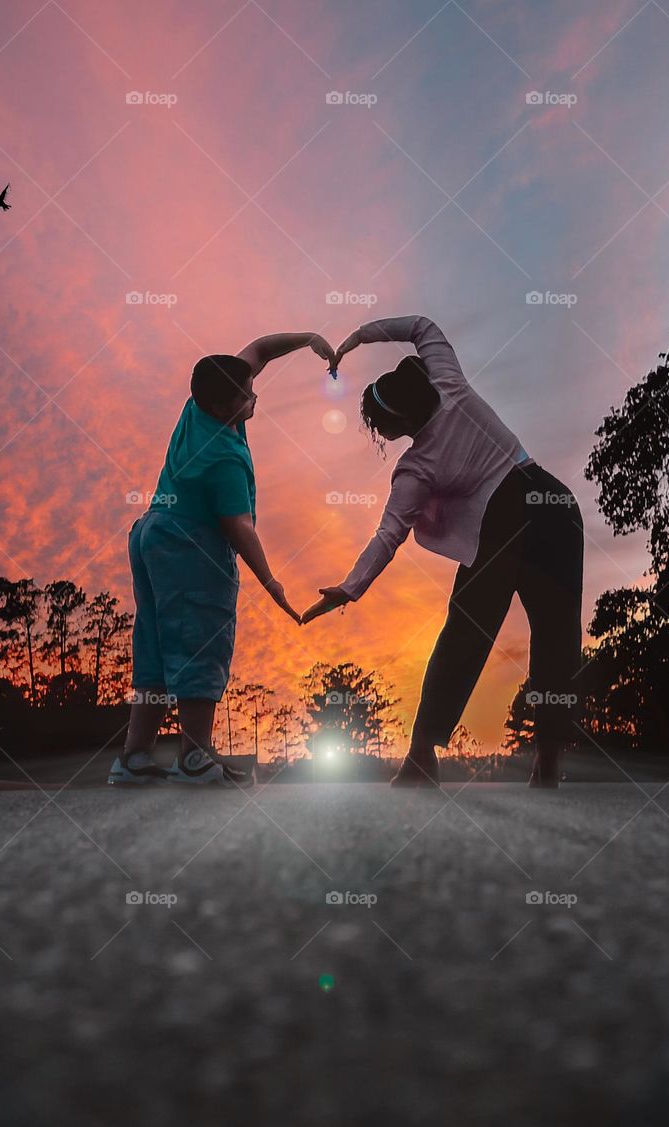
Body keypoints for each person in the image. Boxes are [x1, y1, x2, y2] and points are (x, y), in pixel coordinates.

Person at [304, 316, 584, 789]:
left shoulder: (418, 466)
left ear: (400, 424)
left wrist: (350, 589)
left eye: (381, 426)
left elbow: (388, 534)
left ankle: (420, 756)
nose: (381, 434)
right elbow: (420, 325)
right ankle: (548, 760)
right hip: (555, 504)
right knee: (557, 636)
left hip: (504, 522)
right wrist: (356, 338)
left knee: (465, 633)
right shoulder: (445, 379)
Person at [109, 331, 335, 786]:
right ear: (221, 406)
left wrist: (308, 339)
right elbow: (240, 528)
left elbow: (258, 350)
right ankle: (194, 758)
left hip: (151, 532)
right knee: (201, 639)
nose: (255, 396)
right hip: (190, 544)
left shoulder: (198, 406)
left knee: (154, 645)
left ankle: (133, 758)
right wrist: (272, 583)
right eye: (246, 395)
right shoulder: (222, 456)